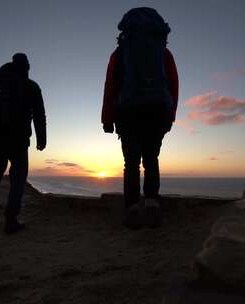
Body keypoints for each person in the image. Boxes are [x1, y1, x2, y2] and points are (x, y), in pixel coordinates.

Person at [101, 8, 179, 229]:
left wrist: (107, 118)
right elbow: (173, 85)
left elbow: (111, 86)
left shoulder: (119, 53)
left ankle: (132, 209)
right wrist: (170, 116)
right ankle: (153, 205)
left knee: (131, 163)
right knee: (151, 160)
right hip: (157, 112)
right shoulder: (164, 54)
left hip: (128, 113)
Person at [0, 53, 46, 234]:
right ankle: (11, 219)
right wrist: (42, 138)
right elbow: (39, 116)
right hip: (18, 140)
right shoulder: (30, 86)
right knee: (18, 180)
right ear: (26, 67)